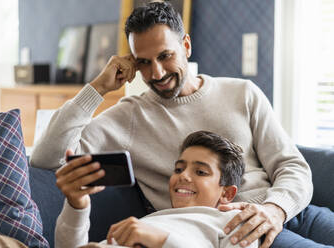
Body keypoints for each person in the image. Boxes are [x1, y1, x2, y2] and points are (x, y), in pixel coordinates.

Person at [30, 2, 334, 247]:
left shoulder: (241, 93)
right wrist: (97, 88)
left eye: (165, 56)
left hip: (289, 210)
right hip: (229, 233)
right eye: (144, 62)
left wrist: (275, 209)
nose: (157, 73)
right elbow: (46, 156)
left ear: (186, 45)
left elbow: (291, 166)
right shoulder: (129, 118)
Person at [55, 130, 259, 248]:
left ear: (227, 193)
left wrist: (160, 240)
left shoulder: (233, 222)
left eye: (201, 172)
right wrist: (77, 205)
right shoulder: (150, 221)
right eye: (179, 168)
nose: (183, 176)